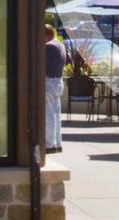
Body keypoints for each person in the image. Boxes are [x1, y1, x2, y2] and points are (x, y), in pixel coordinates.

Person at [45, 24, 67, 153]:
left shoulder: (49, 46)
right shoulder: (60, 44)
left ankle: (49, 144)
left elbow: (43, 64)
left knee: (48, 114)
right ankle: (58, 143)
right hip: (58, 81)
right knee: (56, 114)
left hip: (49, 81)